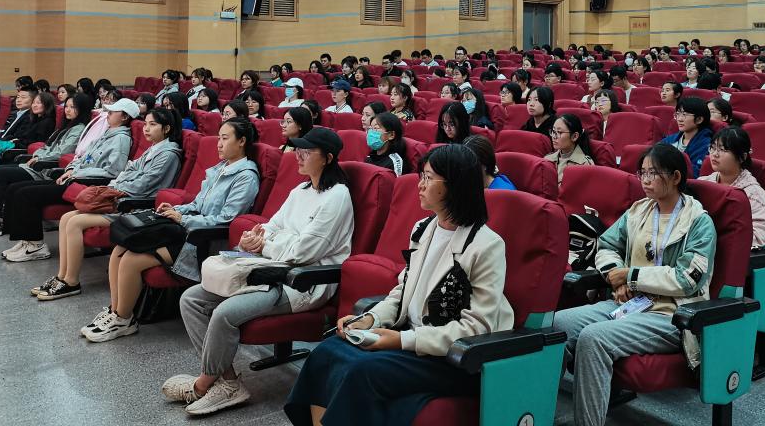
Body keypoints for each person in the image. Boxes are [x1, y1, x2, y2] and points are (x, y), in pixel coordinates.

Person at [284, 143, 511, 426]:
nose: (420, 185)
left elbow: (477, 328)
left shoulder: (486, 245)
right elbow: (403, 291)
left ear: (455, 185)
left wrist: (402, 340)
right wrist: (370, 319)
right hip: (409, 338)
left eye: (428, 178)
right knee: (326, 353)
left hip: (447, 356)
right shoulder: (423, 228)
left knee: (362, 370)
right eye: (421, 176)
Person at [163, 127, 353, 415]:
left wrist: (267, 244)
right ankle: (227, 382)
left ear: (327, 158)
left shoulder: (337, 196)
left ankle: (202, 385)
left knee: (224, 313)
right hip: (269, 268)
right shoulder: (301, 190)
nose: (298, 156)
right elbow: (272, 227)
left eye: (306, 151)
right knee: (191, 299)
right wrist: (255, 238)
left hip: (302, 282)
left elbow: (304, 252)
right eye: (298, 150)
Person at [554, 143, 714, 426]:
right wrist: (615, 277)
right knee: (557, 325)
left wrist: (631, 276)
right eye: (642, 173)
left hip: (671, 314)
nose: (645, 180)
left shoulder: (699, 222)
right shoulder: (639, 210)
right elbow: (606, 245)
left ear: (676, 177)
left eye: (653, 173)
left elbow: (688, 279)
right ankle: (538, 414)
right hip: (629, 302)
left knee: (593, 338)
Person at [78, 117, 260, 343]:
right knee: (119, 250)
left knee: (131, 260)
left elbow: (227, 220)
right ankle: (116, 311)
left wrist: (183, 218)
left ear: (242, 141)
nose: (219, 144)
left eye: (225, 138)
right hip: (184, 231)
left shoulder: (246, 177)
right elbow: (197, 204)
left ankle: (124, 320)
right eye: (219, 138)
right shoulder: (220, 169)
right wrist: (175, 209)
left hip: (202, 241)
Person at [32, 108, 183, 298]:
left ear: (167, 128)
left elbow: (143, 185)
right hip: (121, 198)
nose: (146, 129)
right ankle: (61, 276)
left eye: (152, 125)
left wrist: (116, 188)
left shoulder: (169, 154)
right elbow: (127, 172)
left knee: (75, 222)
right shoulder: (153, 148)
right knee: (66, 218)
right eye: (145, 124)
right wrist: (116, 186)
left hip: (135, 206)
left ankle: (71, 281)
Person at [0, 99, 137, 250]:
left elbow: (113, 171)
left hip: (85, 184)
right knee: (16, 189)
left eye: (113, 112)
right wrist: (71, 169)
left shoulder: (120, 139)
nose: (108, 114)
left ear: (124, 117)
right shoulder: (106, 134)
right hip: (73, 178)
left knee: (24, 193)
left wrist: (76, 173)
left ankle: (35, 245)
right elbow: (81, 157)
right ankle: (24, 240)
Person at [0, 93, 93, 243]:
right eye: (67, 106)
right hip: (36, 164)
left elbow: (62, 152)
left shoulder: (78, 128)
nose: (67, 110)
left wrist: (39, 158)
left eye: (73, 107)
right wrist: (37, 155)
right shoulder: (66, 126)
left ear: (82, 109)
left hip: (45, 169)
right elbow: (47, 146)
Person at [699, 127, 765, 249]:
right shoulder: (703, 183)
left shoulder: (753, 194)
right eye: (712, 148)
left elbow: (758, 234)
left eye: (723, 149)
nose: (715, 154)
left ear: (742, 157)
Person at [660, 97, 713, 175]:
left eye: (684, 115)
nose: (679, 119)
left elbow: (696, 174)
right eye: (678, 114)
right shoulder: (670, 139)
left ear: (699, 119)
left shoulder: (706, 145)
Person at [545, 113, 594, 185]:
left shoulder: (584, 165)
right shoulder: (547, 159)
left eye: (559, 132)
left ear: (574, 136)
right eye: (553, 131)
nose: (554, 136)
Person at [364, 112, 407, 176]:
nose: (371, 133)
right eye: (371, 128)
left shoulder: (395, 162)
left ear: (391, 135)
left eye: (376, 128)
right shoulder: (369, 157)